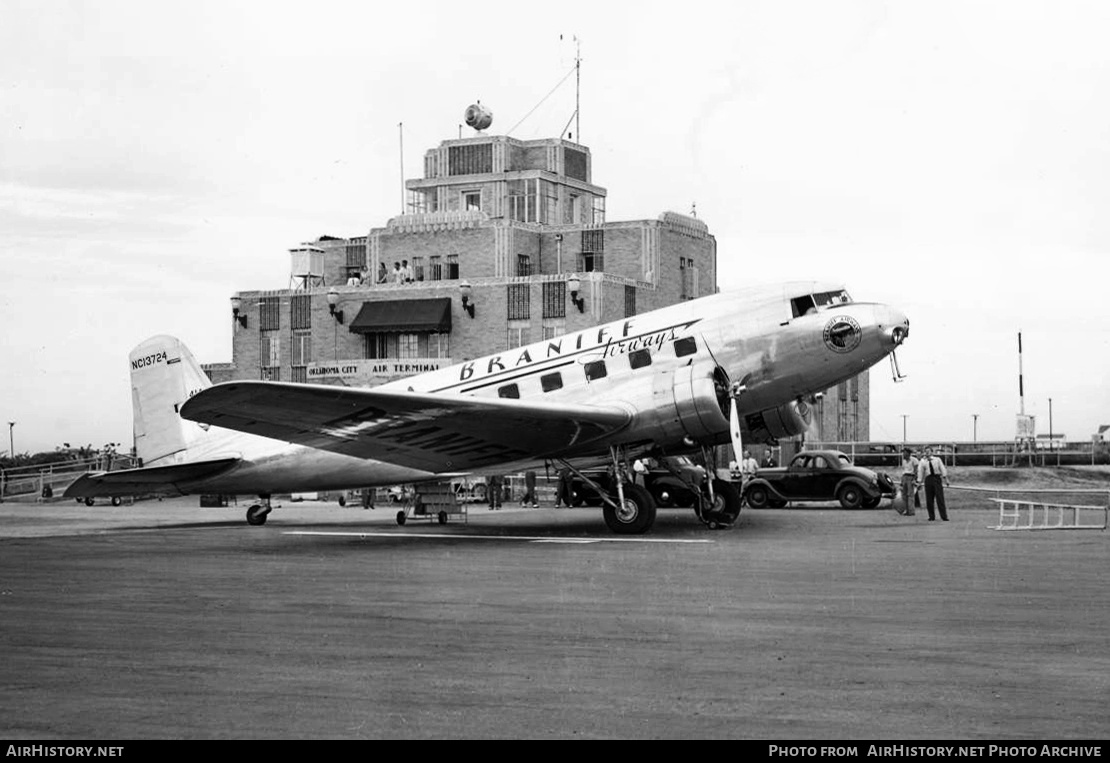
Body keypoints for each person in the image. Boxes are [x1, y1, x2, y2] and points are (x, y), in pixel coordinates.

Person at [916, 446, 951, 521]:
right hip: (928, 479)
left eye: (929, 451)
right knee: (929, 499)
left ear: (932, 452)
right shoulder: (923, 461)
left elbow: (942, 469)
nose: (927, 453)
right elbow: (920, 472)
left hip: (937, 478)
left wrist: (946, 479)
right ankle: (931, 516)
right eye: (926, 451)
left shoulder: (937, 459)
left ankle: (944, 516)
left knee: (940, 498)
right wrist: (919, 482)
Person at [896, 447, 918, 516]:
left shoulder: (914, 460)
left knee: (910, 495)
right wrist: (902, 481)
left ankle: (911, 511)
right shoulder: (904, 461)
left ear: (908, 453)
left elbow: (916, 470)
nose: (903, 454)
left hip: (911, 477)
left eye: (905, 453)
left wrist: (914, 479)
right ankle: (906, 510)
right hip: (905, 476)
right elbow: (903, 471)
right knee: (904, 495)